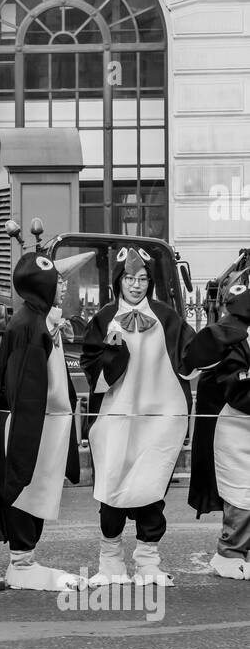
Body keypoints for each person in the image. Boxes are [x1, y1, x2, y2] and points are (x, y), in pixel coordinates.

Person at [81, 245, 194, 586]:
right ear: (119, 280)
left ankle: (148, 563)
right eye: (130, 278)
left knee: (151, 488)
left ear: (150, 282)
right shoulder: (103, 318)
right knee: (112, 488)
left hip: (157, 421)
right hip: (115, 419)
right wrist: (112, 354)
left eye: (143, 278)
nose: (136, 285)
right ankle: (110, 562)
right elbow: (92, 368)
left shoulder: (167, 317)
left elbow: (190, 357)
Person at [0, 252, 85, 591]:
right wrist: (22, 452)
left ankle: (26, 558)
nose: (63, 287)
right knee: (25, 489)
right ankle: (21, 562)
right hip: (29, 426)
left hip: (44, 424)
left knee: (38, 491)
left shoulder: (38, 320)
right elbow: (24, 391)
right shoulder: (28, 325)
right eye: (58, 282)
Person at [182, 279, 250, 578]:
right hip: (237, 425)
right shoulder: (234, 336)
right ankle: (230, 552)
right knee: (241, 492)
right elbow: (235, 387)